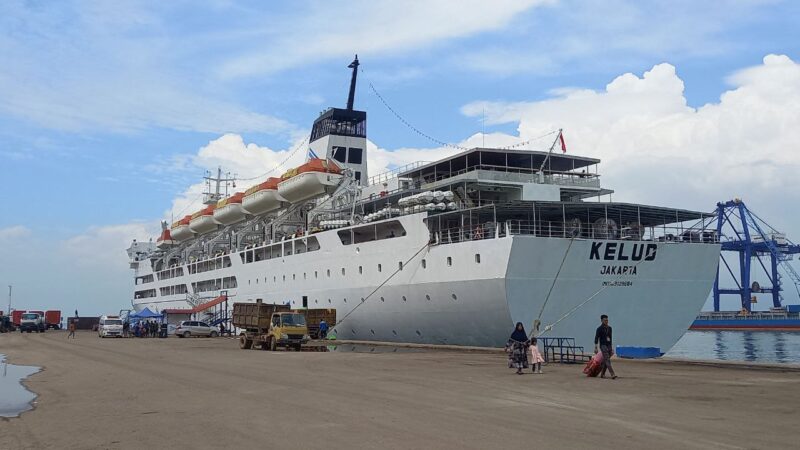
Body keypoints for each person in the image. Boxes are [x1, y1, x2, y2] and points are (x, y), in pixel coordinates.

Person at [594, 314, 617, 379]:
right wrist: (596, 347)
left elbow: (610, 338)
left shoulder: (610, 328)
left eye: (607, 320)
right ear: (601, 321)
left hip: (608, 345)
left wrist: (611, 348)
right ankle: (612, 374)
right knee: (607, 359)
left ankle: (602, 374)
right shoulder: (599, 329)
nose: (606, 321)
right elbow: (596, 338)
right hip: (603, 345)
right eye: (605, 320)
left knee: (606, 360)